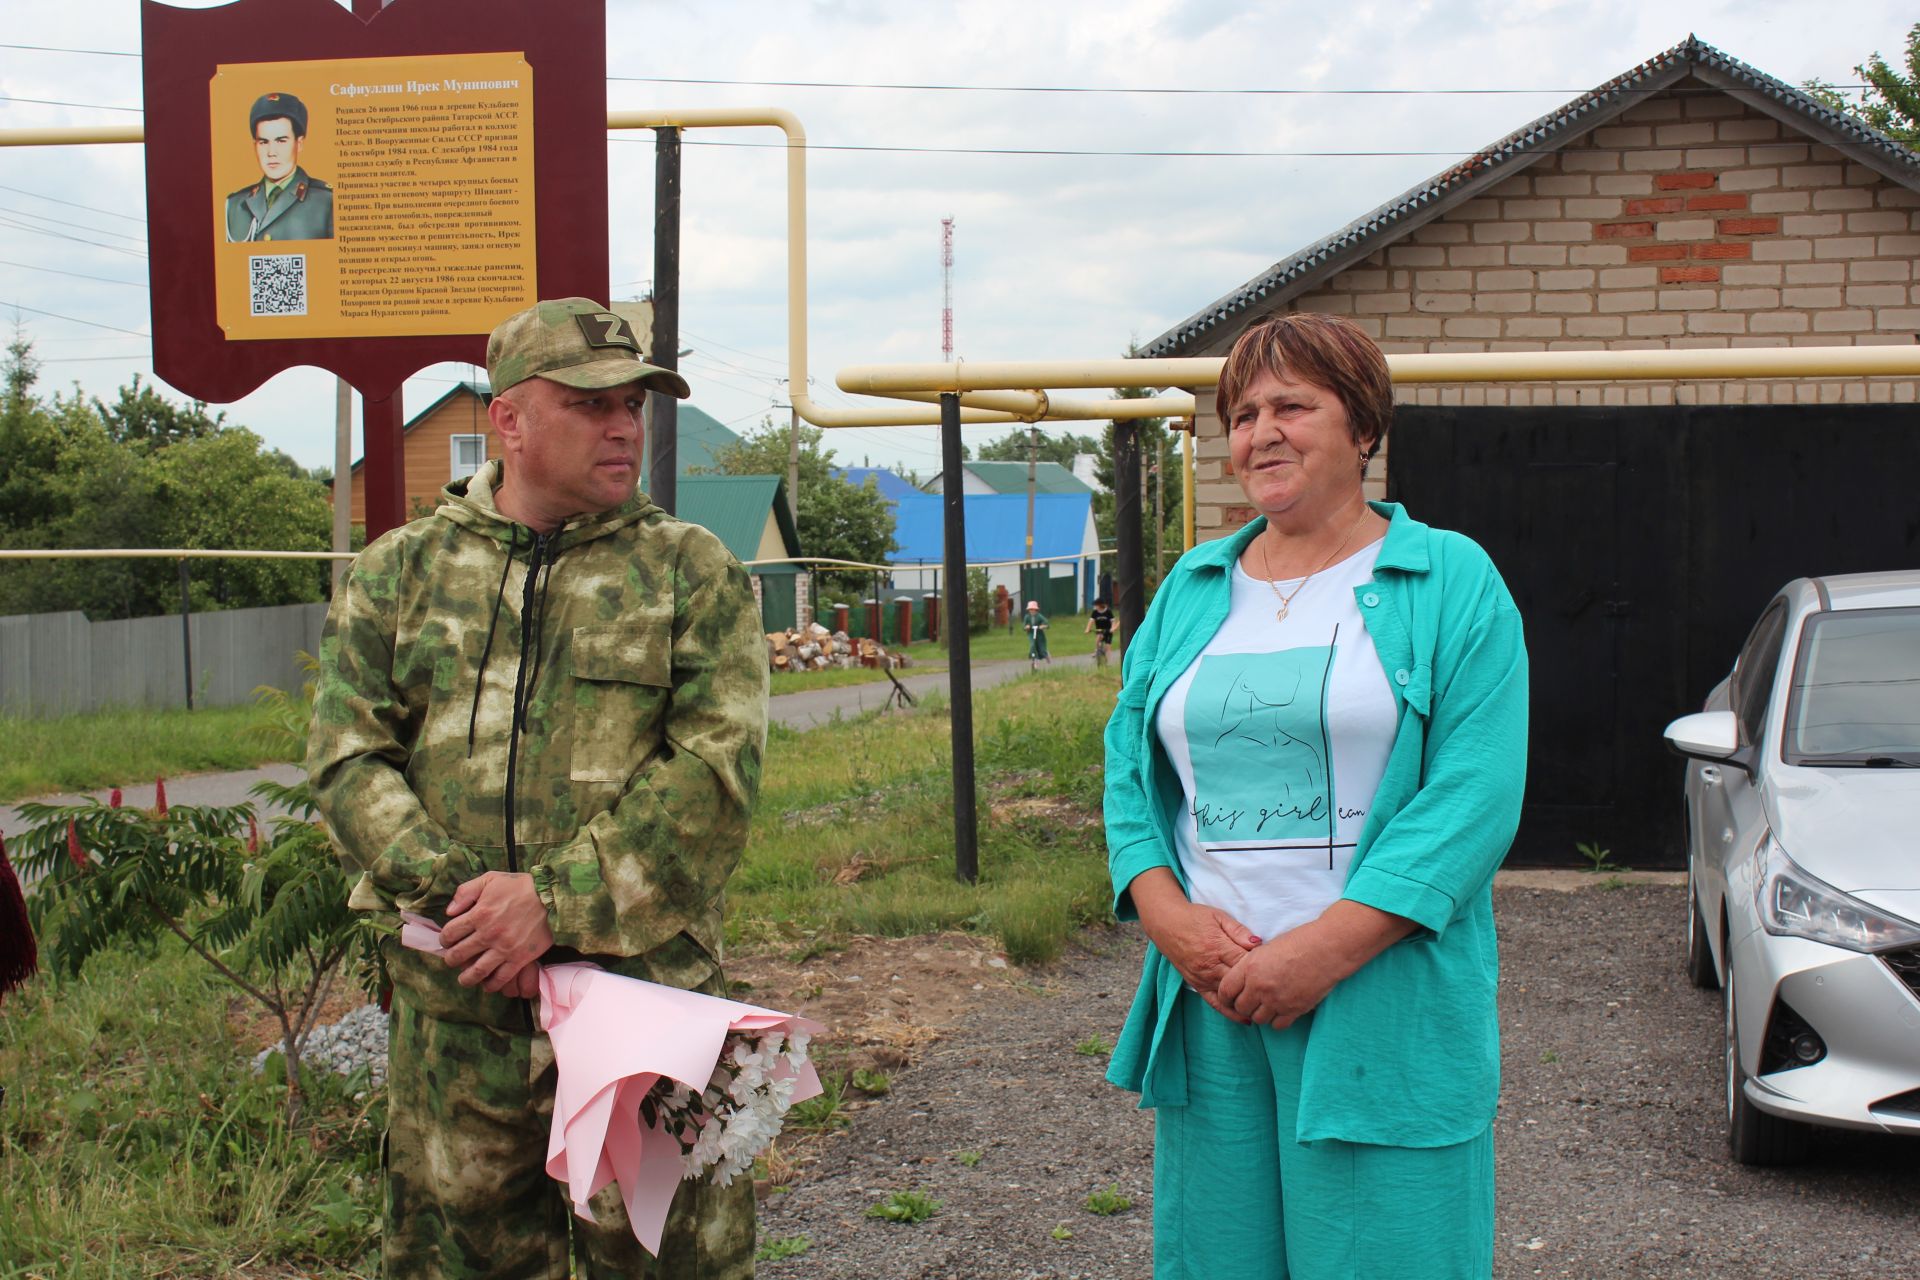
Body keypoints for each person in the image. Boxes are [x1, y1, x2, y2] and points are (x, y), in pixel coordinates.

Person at [308, 297, 768, 1279]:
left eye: (635, 405)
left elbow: (713, 779)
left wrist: (550, 906)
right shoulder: (404, 571)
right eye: (590, 402)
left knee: (670, 1263)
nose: (624, 426)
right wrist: (475, 909)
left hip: (646, 1011)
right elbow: (348, 757)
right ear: (509, 420)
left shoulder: (693, 574)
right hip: (458, 1023)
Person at [1101, 312, 1527, 1279]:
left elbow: (1475, 796)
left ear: (1364, 427)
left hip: (1380, 1001)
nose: (1263, 432)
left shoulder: (1450, 579)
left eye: (1294, 405)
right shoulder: (1193, 587)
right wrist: (1168, 918)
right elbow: (1127, 768)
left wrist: (1322, 952)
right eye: (1243, 413)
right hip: (1214, 1000)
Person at [225, 92, 334, 242]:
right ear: (255, 146)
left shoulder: (327, 201)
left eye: (281, 141)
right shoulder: (234, 205)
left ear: (299, 143)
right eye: (263, 142)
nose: (271, 153)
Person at [1085, 595, 1117, 667]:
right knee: (1098, 638)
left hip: (1108, 630)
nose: (1095, 606)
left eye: (1096, 605)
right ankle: (1097, 650)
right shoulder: (1095, 612)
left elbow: (1113, 621)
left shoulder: (1108, 612)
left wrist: (1113, 628)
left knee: (1107, 646)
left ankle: (1108, 662)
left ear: (1100, 605)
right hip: (1099, 630)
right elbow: (1091, 621)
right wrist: (1087, 629)